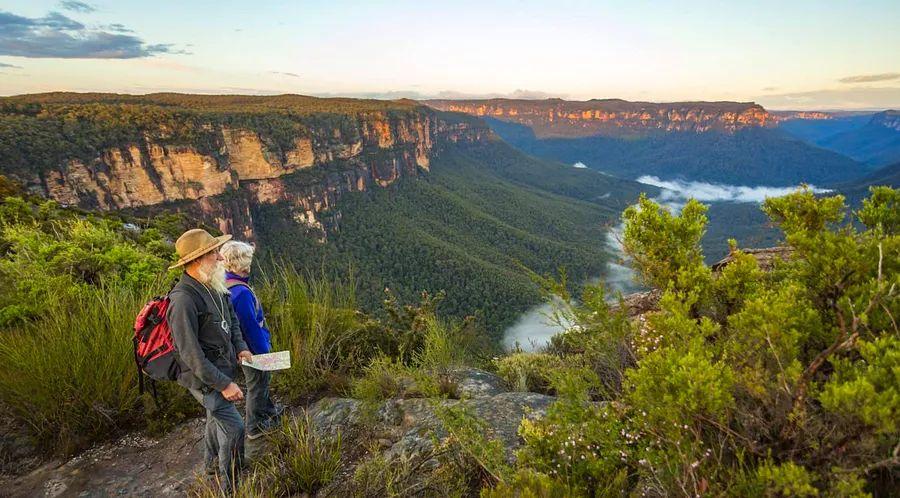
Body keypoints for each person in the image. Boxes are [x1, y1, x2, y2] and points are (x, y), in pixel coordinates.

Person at [165, 228, 252, 491]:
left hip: (220, 369)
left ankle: (211, 464)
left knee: (215, 418)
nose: (221, 258)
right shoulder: (182, 301)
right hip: (205, 380)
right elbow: (190, 354)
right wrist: (224, 385)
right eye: (214, 253)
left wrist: (241, 347)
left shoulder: (213, 283)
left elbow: (232, 319)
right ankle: (232, 486)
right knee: (235, 428)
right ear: (196, 260)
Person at [220, 240, 281, 439]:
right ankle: (255, 426)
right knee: (258, 383)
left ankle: (270, 412)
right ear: (242, 263)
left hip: (238, 348)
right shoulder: (242, 293)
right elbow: (250, 327)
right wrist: (264, 350)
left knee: (260, 381)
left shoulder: (223, 284)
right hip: (252, 349)